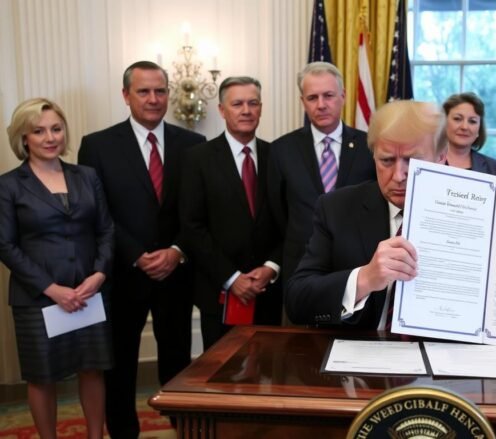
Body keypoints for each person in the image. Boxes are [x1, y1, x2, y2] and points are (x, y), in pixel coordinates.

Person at [285, 100, 496, 329]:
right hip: (359, 369)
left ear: (440, 157)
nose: (398, 175)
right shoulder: (337, 207)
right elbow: (297, 301)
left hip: (454, 365)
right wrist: (364, 279)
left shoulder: (487, 210)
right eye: (385, 160)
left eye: (412, 160)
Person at [78, 61, 205, 439]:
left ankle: (182, 429)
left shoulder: (193, 146)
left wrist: (177, 250)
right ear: (125, 96)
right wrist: (136, 254)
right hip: (123, 275)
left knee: (177, 363)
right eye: (144, 91)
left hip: (175, 274)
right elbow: (97, 213)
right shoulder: (97, 145)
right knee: (119, 367)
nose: (153, 99)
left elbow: (198, 210)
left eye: (160, 91)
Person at [0, 98, 114, 439]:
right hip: (39, 298)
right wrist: (52, 289)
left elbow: (106, 229)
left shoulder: (87, 176)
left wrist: (99, 275)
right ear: (24, 138)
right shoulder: (8, 185)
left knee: (92, 369)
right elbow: (5, 245)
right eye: (39, 131)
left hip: (88, 292)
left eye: (56, 128)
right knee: (42, 376)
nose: (50, 137)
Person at [180, 76, 282, 349]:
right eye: (237, 104)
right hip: (219, 291)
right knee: (223, 374)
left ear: (261, 108)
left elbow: (289, 221)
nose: (246, 110)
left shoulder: (279, 156)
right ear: (222, 110)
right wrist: (232, 278)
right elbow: (192, 226)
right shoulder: (197, 159)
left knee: (268, 369)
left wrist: (271, 268)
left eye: (253, 103)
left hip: (269, 290)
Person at [268, 62, 376, 290]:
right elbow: (277, 213)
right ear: (302, 102)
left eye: (328, 95)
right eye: (312, 97)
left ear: (343, 96)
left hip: (358, 268)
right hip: (301, 267)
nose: (321, 105)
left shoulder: (370, 147)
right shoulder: (281, 149)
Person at [441, 92, 496, 176]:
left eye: (472, 121)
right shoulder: (425, 161)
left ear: (479, 129)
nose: (464, 127)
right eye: (457, 119)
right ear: (444, 122)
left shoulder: (494, 168)